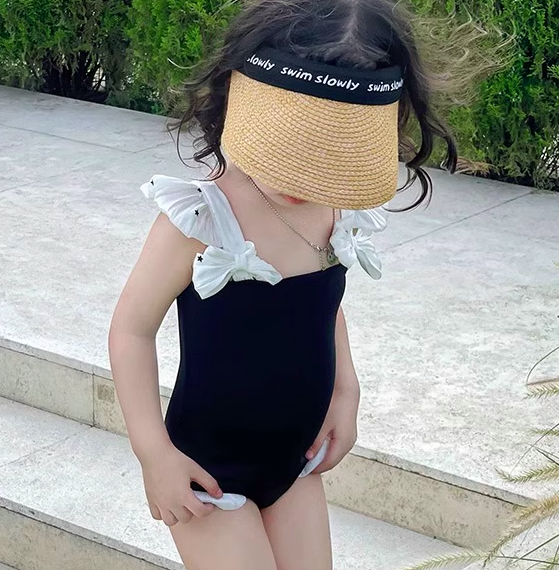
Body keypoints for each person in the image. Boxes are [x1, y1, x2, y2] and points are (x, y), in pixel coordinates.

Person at [108, 0, 457, 568]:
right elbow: (131, 329)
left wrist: (346, 391)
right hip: (207, 472)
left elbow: (322, 306)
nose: (303, 181)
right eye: (288, 156)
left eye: (328, 162)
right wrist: (154, 454)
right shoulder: (200, 218)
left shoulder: (334, 211)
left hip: (294, 462)